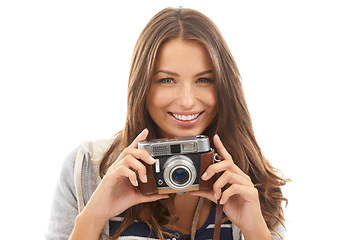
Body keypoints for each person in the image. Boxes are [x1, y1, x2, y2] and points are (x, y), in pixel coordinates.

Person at [46, 7, 288, 240]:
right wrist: (92, 218)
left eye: (204, 79)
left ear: (225, 86)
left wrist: (255, 233)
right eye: (167, 80)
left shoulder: (253, 182)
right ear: (142, 86)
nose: (186, 100)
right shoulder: (88, 169)